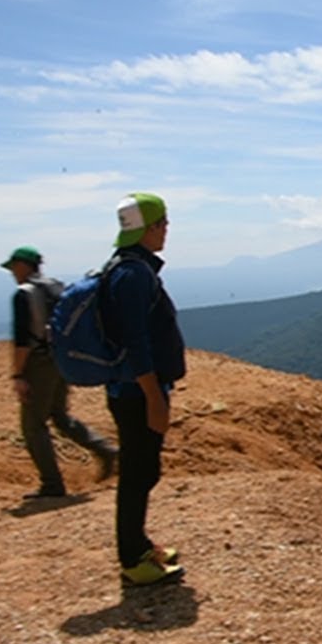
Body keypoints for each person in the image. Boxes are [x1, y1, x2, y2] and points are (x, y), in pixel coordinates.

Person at [103, 193, 187, 586]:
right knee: (138, 473)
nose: (167, 230)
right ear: (150, 227)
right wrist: (155, 397)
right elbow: (136, 343)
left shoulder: (127, 268)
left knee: (143, 471)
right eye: (163, 223)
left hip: (132, 391)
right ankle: (133, 559)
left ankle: (139, 544)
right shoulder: (134, 274)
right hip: (136, 394)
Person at [2, 246, 118, 499]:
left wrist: (18, 375)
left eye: (13, 266)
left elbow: (23, 341)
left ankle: (52, 485)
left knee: (33, 426)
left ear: (24, 265)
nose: (12, 272)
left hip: (39, 363)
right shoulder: (56, 287)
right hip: (62, 359)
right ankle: (105, 449)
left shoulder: (24, 294)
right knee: (60, 416)